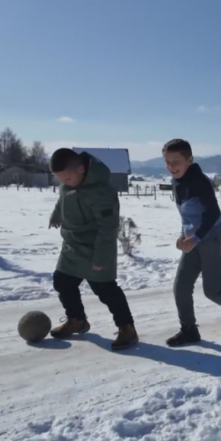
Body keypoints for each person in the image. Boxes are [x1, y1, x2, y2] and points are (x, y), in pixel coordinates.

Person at [162, 139, 221, 347]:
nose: (171, 167)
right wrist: (183, 235)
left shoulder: (199, 181)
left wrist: (194, 238)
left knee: (213, 289)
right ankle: (189, 330)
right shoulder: (176, 181)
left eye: (176, 162)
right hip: (194, 238)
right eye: (167, 162)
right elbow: (187, 215)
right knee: (181, 287)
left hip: (216, 236)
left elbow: (211, 213)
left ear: (190, 160)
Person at [47, 148, 138, 351]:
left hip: (96, 247)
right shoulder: (69, 182)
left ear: (81, 169)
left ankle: (127, 328)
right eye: (61, 179)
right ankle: (76, 319)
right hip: (72, 246)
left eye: (68, 178)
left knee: (105, 290)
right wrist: (56, 214)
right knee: (62, 282)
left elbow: (108, 228)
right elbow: (63, 198)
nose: (64, 182)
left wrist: (102, 259)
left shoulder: (101, 192)